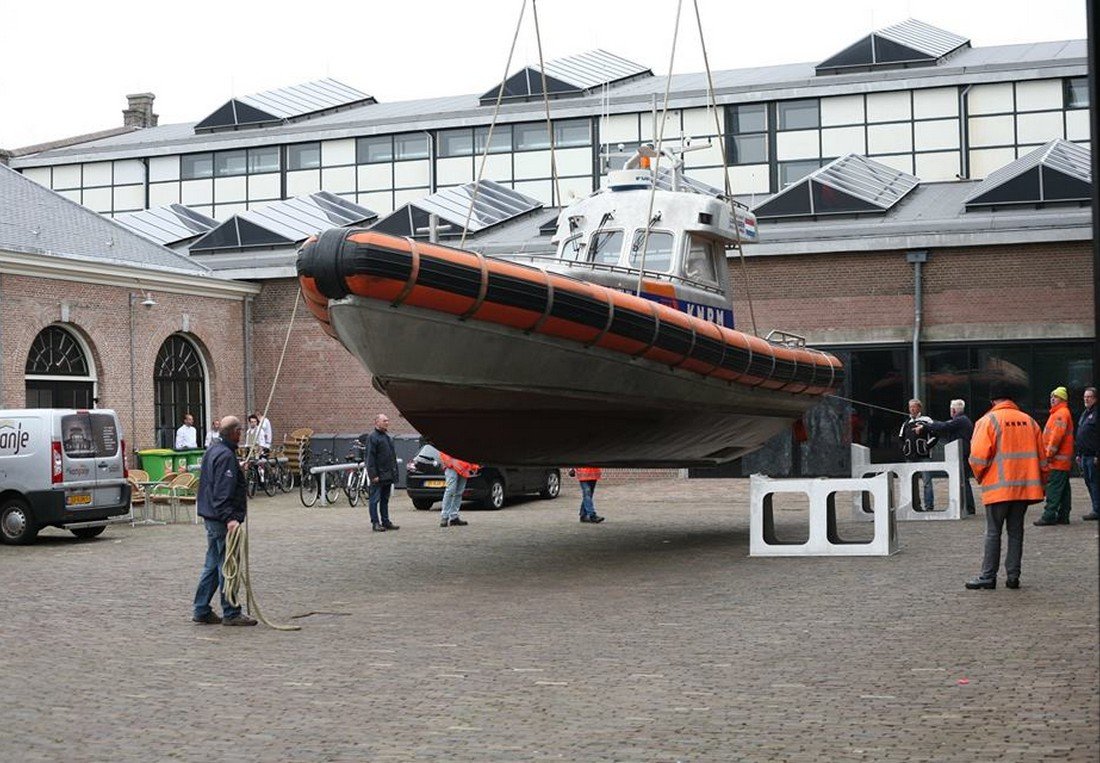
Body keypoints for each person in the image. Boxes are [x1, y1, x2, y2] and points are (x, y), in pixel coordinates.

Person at [965, 384, 1048, 590]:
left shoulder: (987, 421)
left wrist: (981, 477)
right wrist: (1041, 484)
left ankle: (988, 576)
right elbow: (1043, 459)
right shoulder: (1030, 422)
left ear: (993, 401)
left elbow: (977, 457)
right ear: (1012, 400)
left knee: (993, 532)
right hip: (1024, 488)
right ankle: (1013, 576)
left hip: (998, 489)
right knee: (1016, 532)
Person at [192, 416, 256, 626]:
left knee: (212, 564)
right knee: (227, 565)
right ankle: (231, 611)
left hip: (210, 515)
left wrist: (237, 470)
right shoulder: (226, 456)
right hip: (221, 519)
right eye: (240, 431)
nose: (242, 434)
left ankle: (201, 608)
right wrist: (230, 518)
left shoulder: (213, 450)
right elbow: (222, 491)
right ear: (235, 432)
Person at [916, 399, 975, 515]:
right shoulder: (962, 420)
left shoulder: (960, 420)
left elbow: (944, 426)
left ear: (953, 410)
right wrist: (930, 424)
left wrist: (925, 426)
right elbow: (944, 424)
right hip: (962, 453)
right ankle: (968, 507)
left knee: (963, 480)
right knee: (964, 480)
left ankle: (969, 508)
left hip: (961, 454)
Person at [1034, 386, 1075, 526]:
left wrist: (1048, 454)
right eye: (1052, 396)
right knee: (1063, 489)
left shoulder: (1060, 414)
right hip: (1062, 461)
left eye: (1055, 397)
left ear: (1062, 399)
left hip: (1057, 461)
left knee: (1054, 488)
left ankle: (1049, 515)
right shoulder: (1062, 413)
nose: (1052, 399)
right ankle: (1063, 515)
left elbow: (1056, 436)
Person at [899, 399, 936, 511]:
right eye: (910, 407)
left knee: (927, 482)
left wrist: (926, 447)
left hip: (924, 456)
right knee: (911, 482)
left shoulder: (927, 420)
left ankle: (929, 506)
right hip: (910, 457)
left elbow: (935, 435)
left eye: (914, 407)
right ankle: (914, 506)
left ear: (919, 408)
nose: (912, 409)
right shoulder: (906, 423)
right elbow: (901, 438)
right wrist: (905, 448)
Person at [364, 414, 400, 532]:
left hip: (387, 475)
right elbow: (370, 458)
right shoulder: (372, 437)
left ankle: (386, 521)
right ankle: (375, 523)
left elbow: (391, 457)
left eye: (388, 421)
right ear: (377, 422)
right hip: (378, 476)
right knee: (374, 500)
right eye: (384, 421)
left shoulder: (387, 437)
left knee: (385, 499)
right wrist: (373, 475)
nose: (387, 423)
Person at [439, 452, 479, 527]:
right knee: (450, 490)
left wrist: (474, 466)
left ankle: (454, 516)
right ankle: (445, 516)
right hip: (452, 465)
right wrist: (449, 462)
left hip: (463, 466)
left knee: (459, 492)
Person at [1077, 386, 1099, 521]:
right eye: (1085, 396)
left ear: (1095, 398)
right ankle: (1095, 507)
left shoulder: (1096, 414)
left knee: (1095, 483)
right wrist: (1078, 454)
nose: (1086, 399)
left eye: (1089, 397)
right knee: (1089, 483)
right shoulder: (1085, 413)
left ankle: (1097, 510)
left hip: (1093, 456)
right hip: (1084, 455)